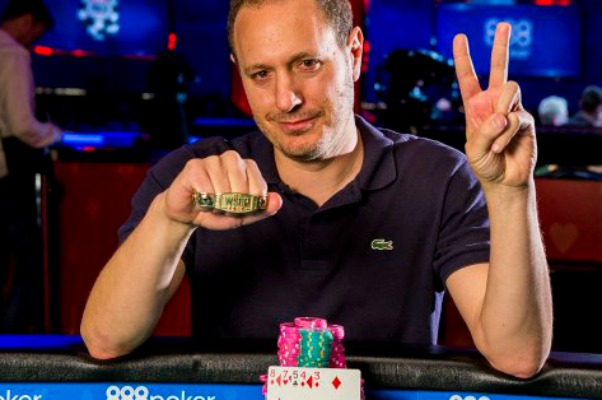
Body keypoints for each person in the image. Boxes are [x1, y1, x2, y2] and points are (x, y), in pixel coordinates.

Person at [81, 0, 553, 379]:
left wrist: (510, 192)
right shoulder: (197, 175)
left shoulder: (438, 176)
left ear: (354, 53)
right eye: (261, 74)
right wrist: (169, 219)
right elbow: (105, 340)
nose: (285, 99)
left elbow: (516, 356)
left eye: (307, 63)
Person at [0, 0, 61, 332]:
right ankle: (18, 340)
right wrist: (56, 133)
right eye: (37, 33)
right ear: (26, 20)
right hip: (7, 176)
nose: (34, 41)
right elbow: (23, 125)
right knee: (26, 262)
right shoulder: (12, 54)